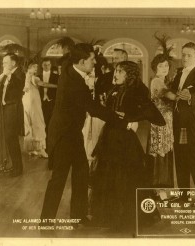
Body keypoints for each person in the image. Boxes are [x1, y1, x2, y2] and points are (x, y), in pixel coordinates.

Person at [40, 43, 130, 228]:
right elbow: (93, 108)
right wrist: (119, 119)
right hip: (64, 137)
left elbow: (72, 60)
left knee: (81, 174)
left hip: (71, 134)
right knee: (59, 178)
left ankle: (78, 217)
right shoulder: (75, 84)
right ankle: (46, 222)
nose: (94, 62)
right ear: (81, 62)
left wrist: (96, 53)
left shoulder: (69, 69)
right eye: (92, 60)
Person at [91, 61, 165, 232]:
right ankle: (111, 217)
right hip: (110, 137)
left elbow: (154, 114)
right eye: (115, 70)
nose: (115, 74)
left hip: (124, 140)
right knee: (109, 175)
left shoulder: (137, 90)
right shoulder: (114, 89)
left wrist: (130, 117)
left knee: (124, 177)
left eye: (119, 72)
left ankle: (126, 218)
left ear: (129, 75)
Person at [171, 42, 195, 202]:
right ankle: (184, 195)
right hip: (178, 122)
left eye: (189, 55)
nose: (185, 58)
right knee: (180, 157)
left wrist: (190, 97)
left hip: (189, 123)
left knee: (193, 156)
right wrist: (168, 93)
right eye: (184, 54)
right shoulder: (179, 73)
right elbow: (174, 91)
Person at [148, 54, 176, 187]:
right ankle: (160, 187)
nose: (164, 68)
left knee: (165, 151)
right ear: (155, 68)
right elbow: (170, 96)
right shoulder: (157, 81)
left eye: (166, 65)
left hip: (167, 121)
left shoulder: (165, 81)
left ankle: (163, 186)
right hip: (160, 121)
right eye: (161, 66)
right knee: (161, 152)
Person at [0, 53, 25, 177]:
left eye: (5, 62)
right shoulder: (8, 74)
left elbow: (19, 86)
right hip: (6, 108)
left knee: (11, 138)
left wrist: (9, 75)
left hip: (13, 109)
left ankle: (18, 169)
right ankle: (15, 166)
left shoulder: (19, 73)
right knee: (9, 139)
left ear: (13, 63)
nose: (3, 65)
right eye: (3, 63)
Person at [22, 61, 57, 157]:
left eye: (36, 67)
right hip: (32, 103)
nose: (36, 69)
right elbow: (44, 84)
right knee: (38, 123)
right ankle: (41, 149)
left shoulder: (27, 77)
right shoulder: (33, 77)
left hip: (28, 102)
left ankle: (33, 148)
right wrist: (57, 86)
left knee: (30, 124)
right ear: (29, 67)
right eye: (34, 67)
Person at [38, 58, 59, 137]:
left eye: (48, 65)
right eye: (45, 65)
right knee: (42, 122)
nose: (47, 66)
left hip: (52, 102)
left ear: (50, 65)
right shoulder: (38, 76)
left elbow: (60, 88)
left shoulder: (56, 76)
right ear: (42, 66)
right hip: (41, 102)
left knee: (52, 123)